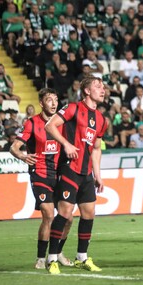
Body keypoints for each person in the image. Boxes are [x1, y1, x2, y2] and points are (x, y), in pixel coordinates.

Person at [44, 76, 108, 274]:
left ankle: (82, 257)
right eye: (98, 86)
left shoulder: (101, 119)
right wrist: (66, 144)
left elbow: (96, 148)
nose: (103, 89)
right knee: (65, 213)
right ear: (87, 91)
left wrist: (98, 175)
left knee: (89, 213)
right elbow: (50, 126)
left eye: (103, 87)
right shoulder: (73, 108)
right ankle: (52, 259)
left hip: (86, 172)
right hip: (69, 168)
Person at [9, 89, 74, 269]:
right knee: (48, 214)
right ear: (41, 103)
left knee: (68, 218)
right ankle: (40, 257)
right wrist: (23, 157)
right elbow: (14, 147)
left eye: (55, 99)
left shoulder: (62, 124)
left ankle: (57, 252)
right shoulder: (31, 123)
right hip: (40, 174)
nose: (53, 103)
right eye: (49, 100)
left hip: (60, 175)